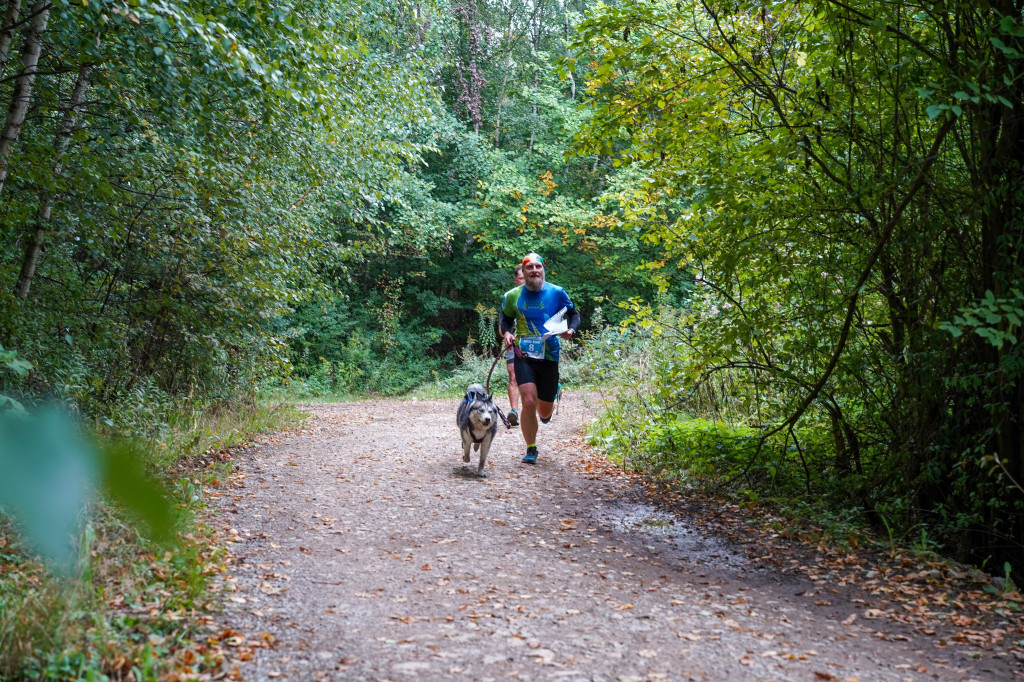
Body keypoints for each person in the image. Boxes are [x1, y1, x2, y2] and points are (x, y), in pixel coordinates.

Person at [500, 253, 581, 464]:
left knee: (544, 412)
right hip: (523, 354)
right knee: (528, 401)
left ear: (543, 268)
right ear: (524, 272)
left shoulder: (556, 292)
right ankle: (530, 448)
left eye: (538, 266)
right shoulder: (513, 296)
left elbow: (574, 314)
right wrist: (508, 333)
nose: (534, 270)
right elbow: (505, 319)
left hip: (550, 355)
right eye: (530, 267)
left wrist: (571, 330)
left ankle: (553, 394)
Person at [503, 264, 526, 426]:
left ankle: (554, 389)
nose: (524, 281)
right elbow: (502, 325)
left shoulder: (542, 294)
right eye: (521, 278)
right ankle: (514, 412)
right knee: (513, 374)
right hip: (514, 344)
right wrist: (507, 334)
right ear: (515, 280)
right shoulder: (509, 297)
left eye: (527, 278)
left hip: (537, 343)